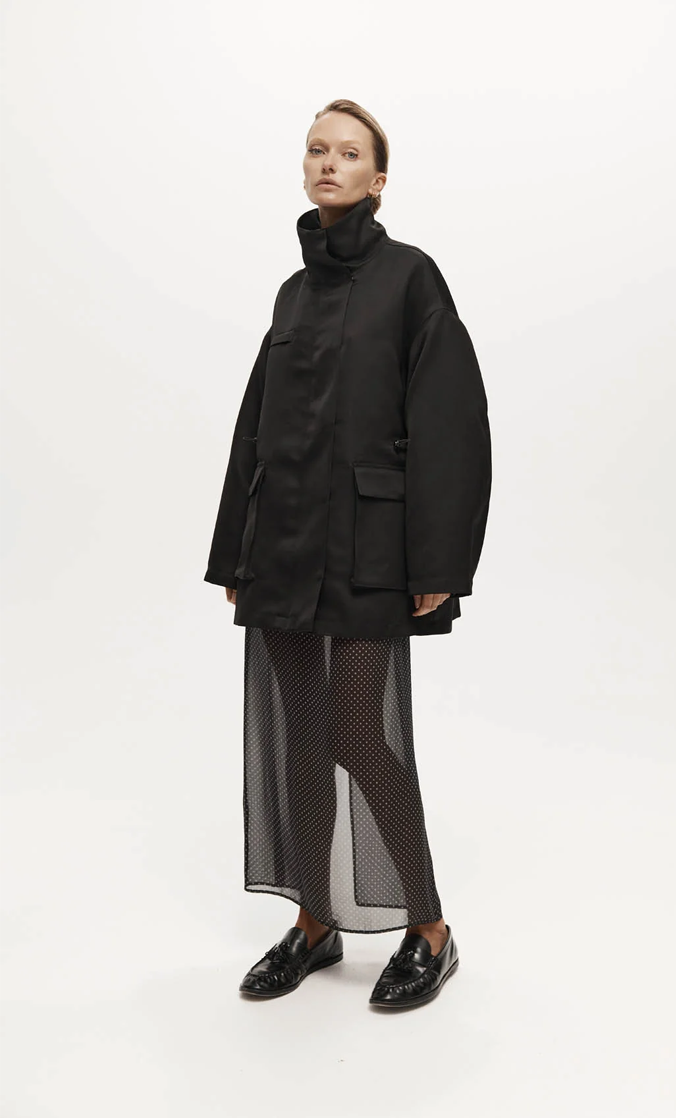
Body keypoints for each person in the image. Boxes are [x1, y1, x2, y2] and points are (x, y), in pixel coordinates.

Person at [203, 98, 492, 1011]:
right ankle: (314, 922)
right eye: (316, 149)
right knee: (299, 736)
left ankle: (429, 928)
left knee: (358, 732)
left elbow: (450, 422)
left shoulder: (411, 278)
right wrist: (234, 553)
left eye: (349, 152)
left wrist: (437, 563)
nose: (328, 163)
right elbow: (254, 427)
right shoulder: (291, 295)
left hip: (371, 551)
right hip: (284, 547)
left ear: (378, 178)